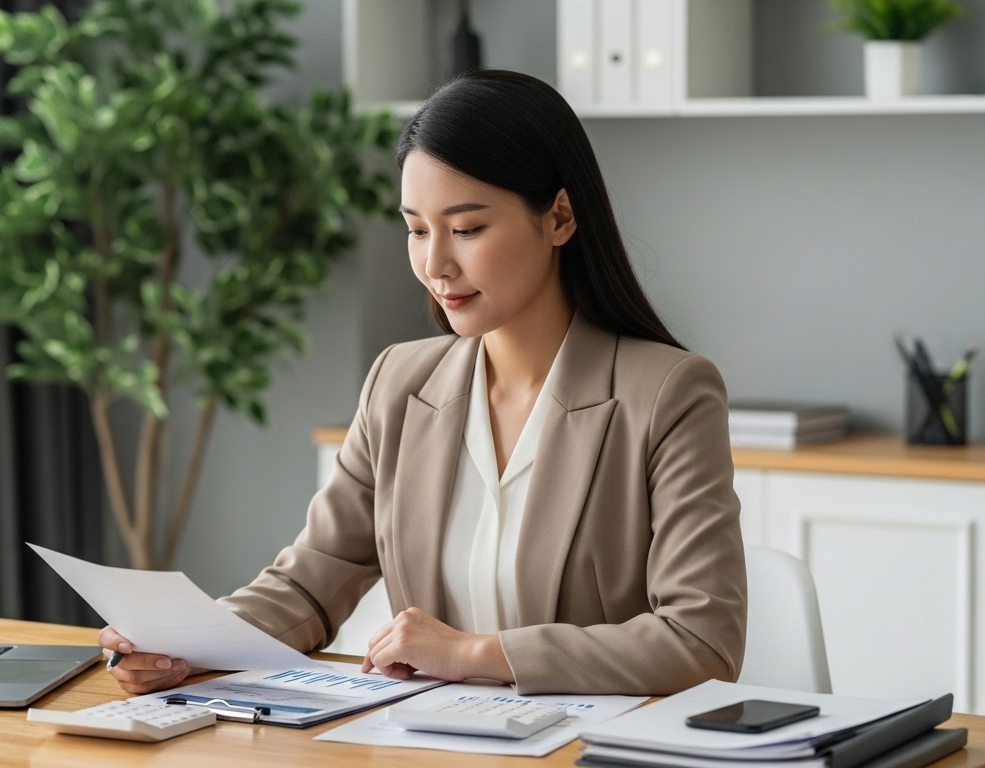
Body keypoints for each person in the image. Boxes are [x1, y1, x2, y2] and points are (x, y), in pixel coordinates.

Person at [98, 69, 747, 695]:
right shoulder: (399, 383)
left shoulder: (667, 394)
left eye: (467, 229)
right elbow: (312, 581)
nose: (436, 263)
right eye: (416, 229)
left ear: (559, 218)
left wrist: (475, 655)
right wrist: (185, 641)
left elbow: (702, 640)